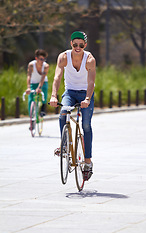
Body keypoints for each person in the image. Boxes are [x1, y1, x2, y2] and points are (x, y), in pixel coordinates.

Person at [49, 31, 96, 180]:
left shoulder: (89, 60)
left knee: (86, 125)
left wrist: (87, 98)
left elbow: (91, 82)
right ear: (71, 44)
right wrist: (53, 95)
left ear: (85, 45)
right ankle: (64, 146)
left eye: (81, 45)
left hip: (85, 94)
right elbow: (57, 77)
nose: (77, 47)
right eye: (75, 44)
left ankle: (87, 161)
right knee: (63, 112)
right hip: (70, 92)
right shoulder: (64, 57)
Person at [25, 49, 49, 117]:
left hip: (43, 82)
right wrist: (28, 87)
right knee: (30, 99)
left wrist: (39, 87)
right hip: (33, 82)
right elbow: (29, 76)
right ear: (36, 58)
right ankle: (31, 117)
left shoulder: (46, 66)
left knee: (44, 94)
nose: (42, 61)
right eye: (41, 59)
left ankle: (43, 109)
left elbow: (43, 77)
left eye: (44, 59)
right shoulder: (31, 65)